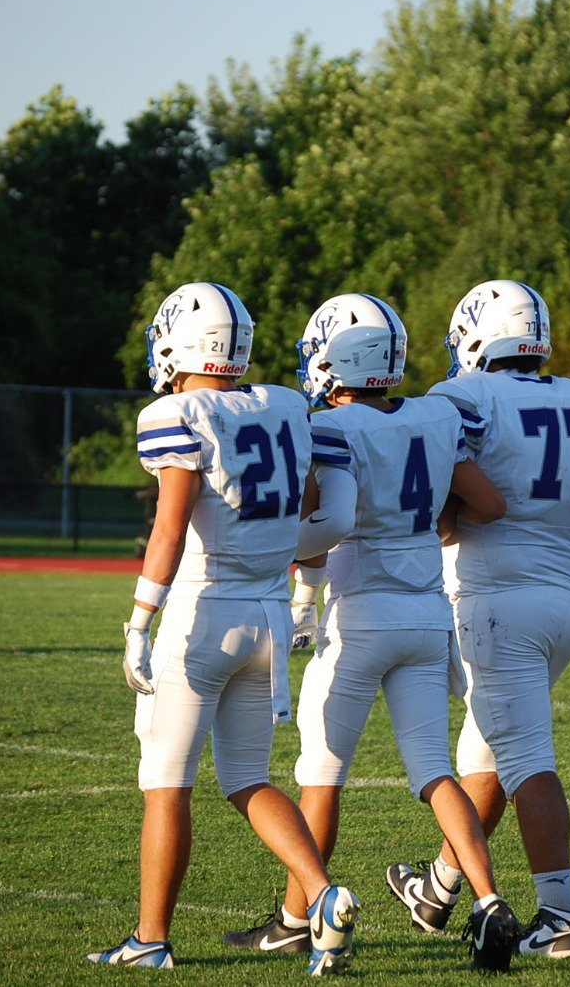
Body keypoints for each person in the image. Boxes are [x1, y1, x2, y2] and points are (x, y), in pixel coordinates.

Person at [221, 293, 522, 972]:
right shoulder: (436, 416)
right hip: (427, 613)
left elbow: (323, 526)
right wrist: (432, 523)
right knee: (434, 770)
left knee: (321, 774)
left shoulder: (333, 426)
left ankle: (298, 919)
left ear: (335, 363)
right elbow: (488, 502)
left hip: (361, 616)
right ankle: (487, 899)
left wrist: (280, 559)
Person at [87, 282, 359, 976]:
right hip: (267, 617)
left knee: (167, 782)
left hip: (202, 614)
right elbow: (311, 506)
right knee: (246, 779)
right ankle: (322, 894)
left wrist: (139, 621)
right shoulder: (285, 406)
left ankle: (151, 938)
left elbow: (169, 527)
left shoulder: (178, 412)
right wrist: (305, 593)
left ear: (180, 343)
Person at [385, 280, 570, 959]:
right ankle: (439, 886)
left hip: (495, 602)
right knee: (488, 750)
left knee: (525, 758)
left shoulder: (463, 397)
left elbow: (441, 509)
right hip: (565, 602)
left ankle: (561, 915)